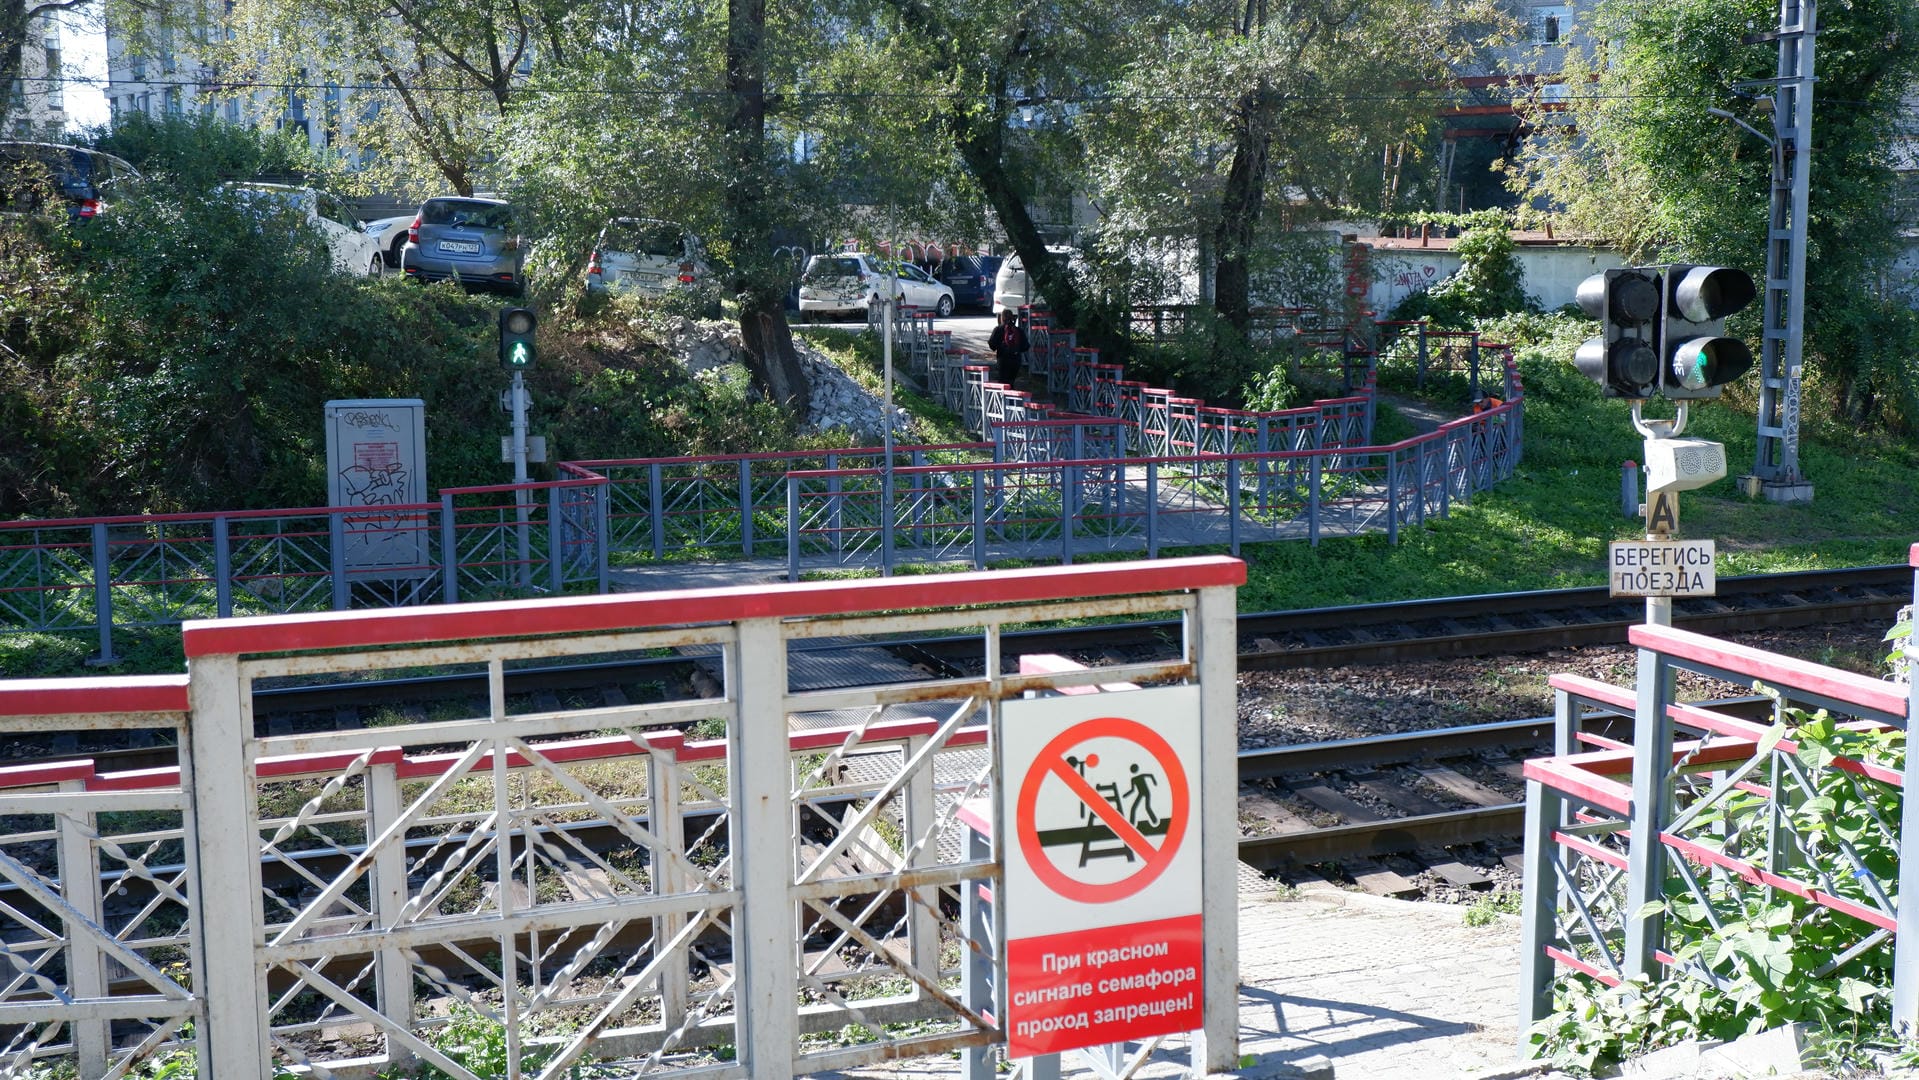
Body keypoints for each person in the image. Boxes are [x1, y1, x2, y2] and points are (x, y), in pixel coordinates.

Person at [988, 309, 1028, 386]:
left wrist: (1000, 346)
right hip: (1016, 360)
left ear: (1002, 318)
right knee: (1011, 381)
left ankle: (1004, 397)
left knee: (1002, 382)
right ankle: (1011, 396)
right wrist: (1016, 349)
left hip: (1003, 360)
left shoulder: (998, 329)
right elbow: (1025, 346)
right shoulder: (1018, 330)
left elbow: (992, 345)